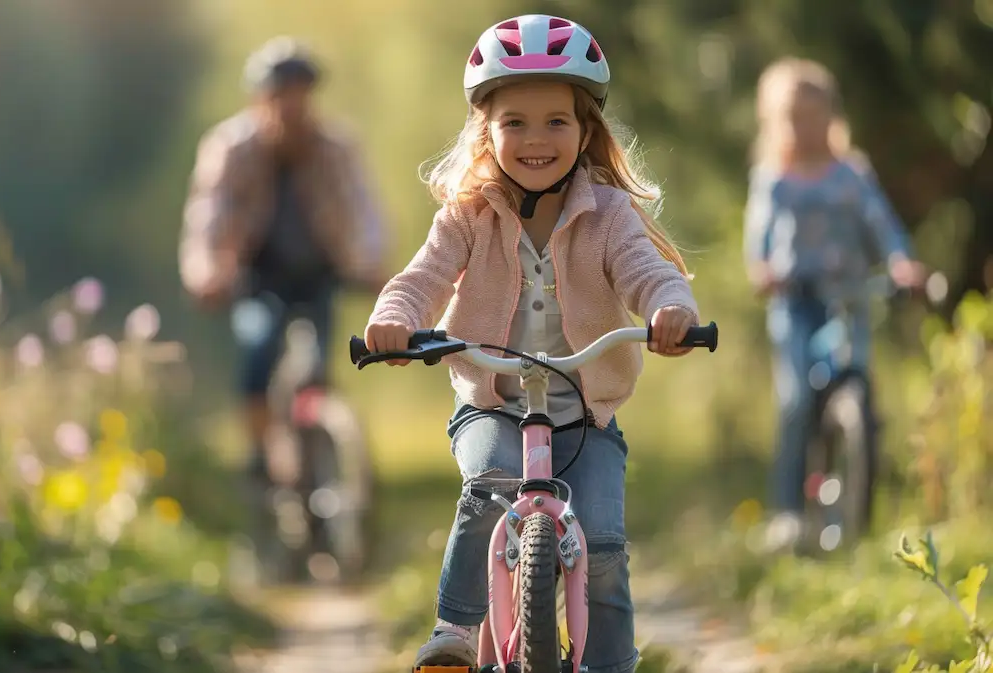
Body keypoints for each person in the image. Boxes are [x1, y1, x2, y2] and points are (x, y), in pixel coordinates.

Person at [363, 15, 701, 671]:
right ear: (485, 132)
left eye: (556, 121)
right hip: (492, 400)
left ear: (585, 132)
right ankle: (456, 633)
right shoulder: (469, 213)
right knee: (490, 482)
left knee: (601, 543)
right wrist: (395, 319)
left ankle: (610, 663)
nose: (536, 139)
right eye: (514, 121)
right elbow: (423, 277)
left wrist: (670, 310)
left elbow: (649, 273)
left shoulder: (609, 215)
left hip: (585, 412)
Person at [179, 37, 388, 562]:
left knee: (320, 368)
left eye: (300, 94)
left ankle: (323, 461)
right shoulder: (231, 147)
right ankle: (259, 455)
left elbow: (362, 208)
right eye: (280, 94)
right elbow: (208, 215)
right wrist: (205, 271)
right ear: (260, 98)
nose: (291, 105)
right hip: (256, 276)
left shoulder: (334, 147)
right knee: (257, 353)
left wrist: (370, 262)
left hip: (319, 275)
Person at [742, 57, 927, 550]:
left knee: (856, 383)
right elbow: (758, 237)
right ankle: (788, 512)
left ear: (832, 115)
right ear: (778, 124)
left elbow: (882, 224)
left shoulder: (851, 174)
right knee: (797, 401)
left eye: (814, 115)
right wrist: (762, 270)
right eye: (794, 118)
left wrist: (901, 263)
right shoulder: (775, 179)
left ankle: (857, 497)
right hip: (795, 301)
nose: (806, 128)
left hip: (848, 297)